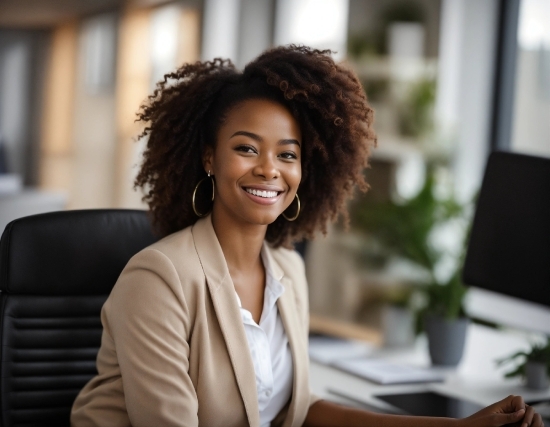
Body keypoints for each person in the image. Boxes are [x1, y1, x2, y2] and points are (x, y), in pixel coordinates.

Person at [70, 45, 543, 427]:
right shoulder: (159, 279)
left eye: (287, 154)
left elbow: (301, 411)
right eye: (246, 148)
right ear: (209, 159)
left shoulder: (288, 272)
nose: (268, 169)